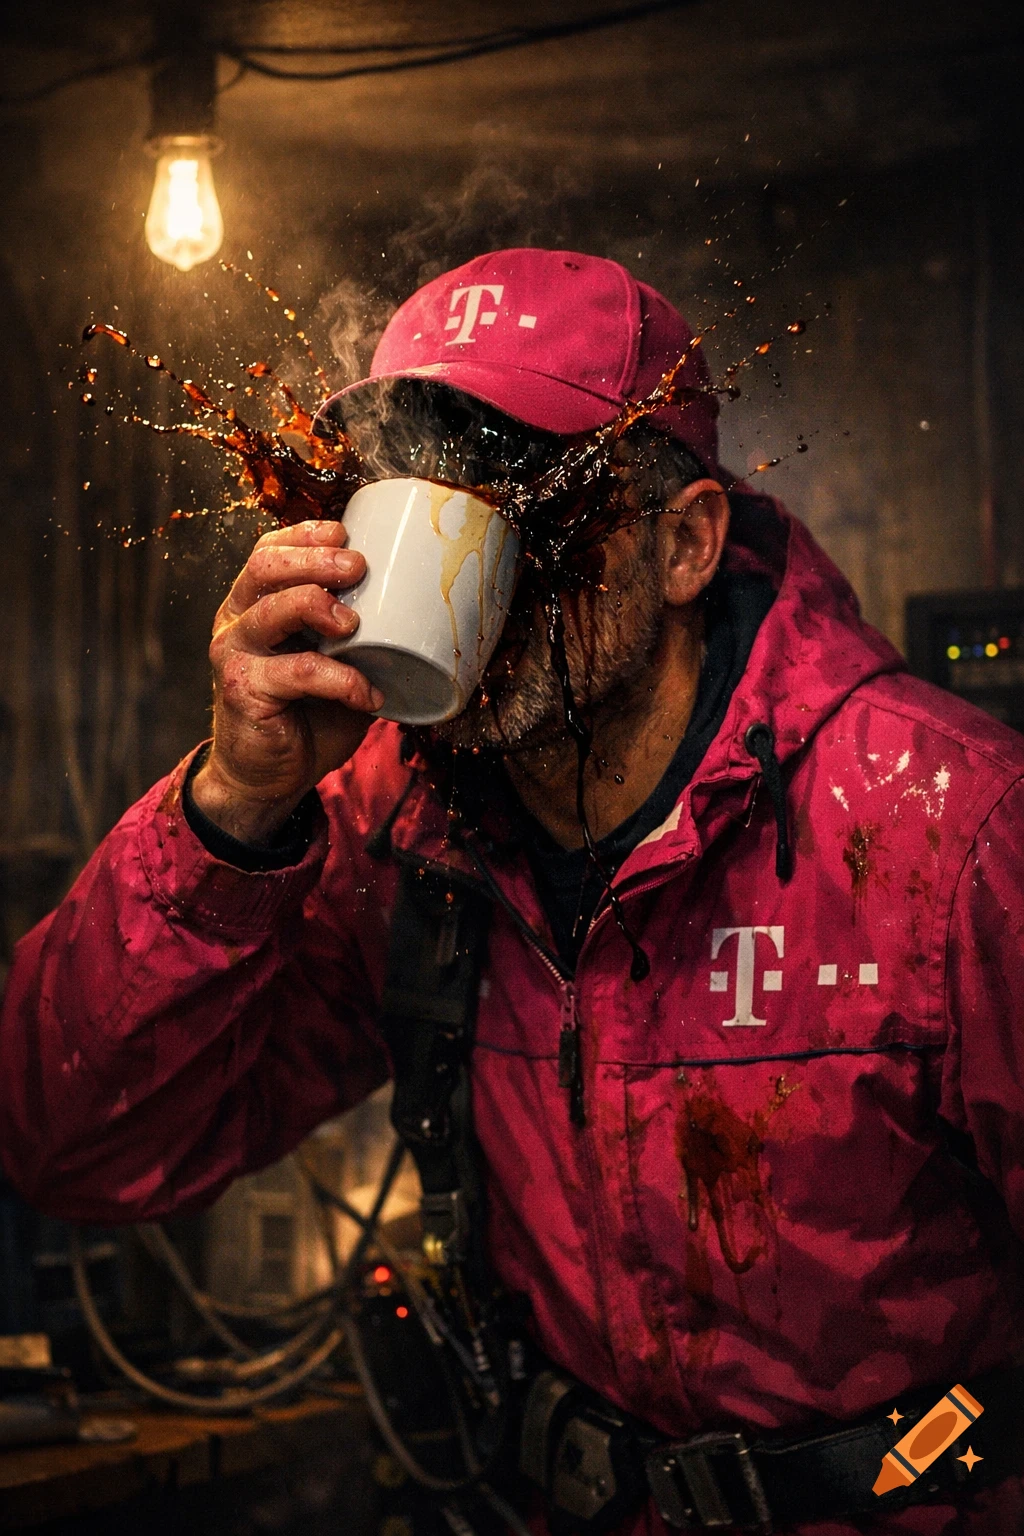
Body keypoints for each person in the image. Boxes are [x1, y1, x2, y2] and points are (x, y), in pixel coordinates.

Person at [2, 248, 1023, 1535]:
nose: (474, 542)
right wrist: (232, 812)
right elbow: (78, 1148)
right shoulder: (400, 829)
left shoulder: (947, 828)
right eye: (418, 491)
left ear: (687, 544)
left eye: (520, 495)